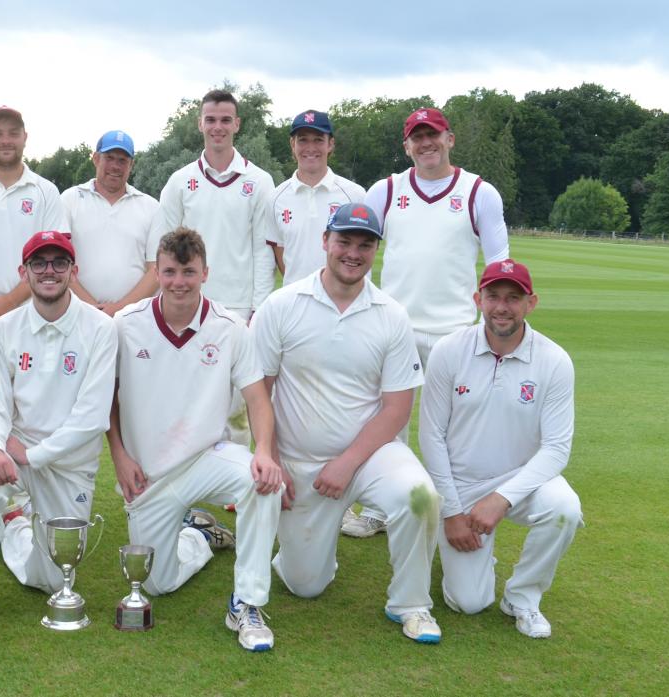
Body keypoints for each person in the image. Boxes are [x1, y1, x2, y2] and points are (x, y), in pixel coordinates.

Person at [252, 203, 443, 644]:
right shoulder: (282, 305)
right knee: (304, 586)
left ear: (376, 250)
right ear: (325, 241)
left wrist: (348, 462)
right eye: (344, 241)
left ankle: (411, 604)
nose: (353, 253)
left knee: (421, 496)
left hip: (371, 455)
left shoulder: (391, 315)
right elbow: (258, 390)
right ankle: (309, 549)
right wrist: (271, 457)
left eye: (365, 245)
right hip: (299, 462)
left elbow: (397, 408)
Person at [108, 228, 283, 652]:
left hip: (207, 458)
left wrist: (263, 451)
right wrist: (119, 455)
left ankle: (247, 603)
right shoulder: (125, 325)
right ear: (156, 271)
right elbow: (106, 399)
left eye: (189, 271)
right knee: (158, 583)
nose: (179, 282)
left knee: (261, 483)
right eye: (169, 271)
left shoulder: (230, 328)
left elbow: (258, 400)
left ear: (206, 272)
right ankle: (200, 536)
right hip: (147, 476)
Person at [0, 230, 116, 639]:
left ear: (74, 270)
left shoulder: (101, 329)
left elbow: (91, 417)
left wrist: (33, 455)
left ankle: (15, 525)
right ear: (24, 272)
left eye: (58, 263)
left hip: (67, 462)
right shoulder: (4, 329)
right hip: (13, 453)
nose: (48, 271)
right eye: (39, 263)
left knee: (52, 581)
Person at [343, 106, 511, 538]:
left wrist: (495, 326)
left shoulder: (479, 192)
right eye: (417, 137)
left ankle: (453, 510)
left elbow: (499, 265)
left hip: (456, 333)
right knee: (387, 424)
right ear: (406, 146)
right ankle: (383, 508)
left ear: (450, 138)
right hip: (395, 328)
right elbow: (355, 250)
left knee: (452, 431)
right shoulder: (385, 190)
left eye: (433, 135)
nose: (426, 143)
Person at [419, 259, 581, 639]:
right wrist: (453, 511)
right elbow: (431, 435)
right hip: (460, 482)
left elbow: (556, 449)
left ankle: (523, 598)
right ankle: (473, 553)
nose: (502, 307)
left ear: (531, 303)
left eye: (514, 298)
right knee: (469, 603)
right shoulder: (449, 350)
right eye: (493, 296)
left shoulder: (554, 360)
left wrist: (502, 498)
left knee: (564, 510)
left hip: (520, 481)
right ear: (478, 299)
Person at [151, 89, 275, 320]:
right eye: (211, 120)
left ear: (237, 124)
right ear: (200, 124)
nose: (218, 127)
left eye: (226, 120)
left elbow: (263, 251)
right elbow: (164, 249)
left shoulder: (260, 181)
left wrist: (259, 310)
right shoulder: (179, 181)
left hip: (239, 308)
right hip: (188, 303)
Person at [0, 107, 68, 318]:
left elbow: (55, 258)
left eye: (13, 133)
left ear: (25, 137)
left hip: (31, 310)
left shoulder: (46, 191)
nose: (6, 140)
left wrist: (11, 300)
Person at [61, 130, 159, 316]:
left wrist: (121, 309)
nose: (115, 166)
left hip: (134, 317)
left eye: (122, 160)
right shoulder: (70, 199)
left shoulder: (151, 206)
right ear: (96, 158)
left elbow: (156, 269)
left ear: (132, 164)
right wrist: (90, 308)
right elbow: (59, 262)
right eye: (109, 158)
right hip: (78, 313)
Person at [267, 109, 365, 285]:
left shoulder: (354, 195)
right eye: (303, 140)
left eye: (318, 140)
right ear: (292, 144)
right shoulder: (276, 198)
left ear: (330, 144)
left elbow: (364, 252)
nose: (310, 148)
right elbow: (280, 252)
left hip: (341, 303)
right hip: (295, 303)